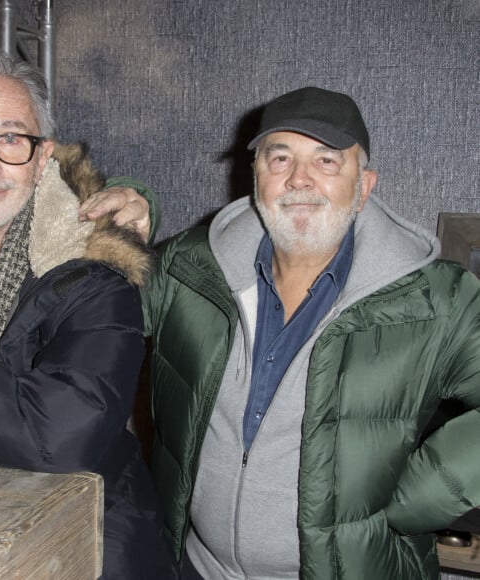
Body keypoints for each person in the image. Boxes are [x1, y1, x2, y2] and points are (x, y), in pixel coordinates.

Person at [136, 87, 480, 579]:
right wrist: (128, 200)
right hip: (195, 567)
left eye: (326, 161)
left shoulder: (435, 300)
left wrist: (415, 500)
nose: (299, 179)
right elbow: (92, 304)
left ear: (363, 187)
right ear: (255, 178)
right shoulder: (192, 267)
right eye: (280, 158)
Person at [0, 46, 176, 579]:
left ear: (42, 155)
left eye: (10, 139)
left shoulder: (93, 265)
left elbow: (61, 431)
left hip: (90, 540)